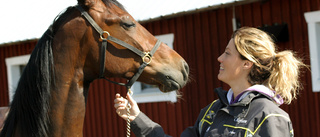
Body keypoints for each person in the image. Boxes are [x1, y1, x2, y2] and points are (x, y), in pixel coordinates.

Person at [114, 27, 307, 137]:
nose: (219, 58)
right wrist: (136, 117)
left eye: (228, 53)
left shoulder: (269, 116)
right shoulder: (212, 111)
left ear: (247, 63)